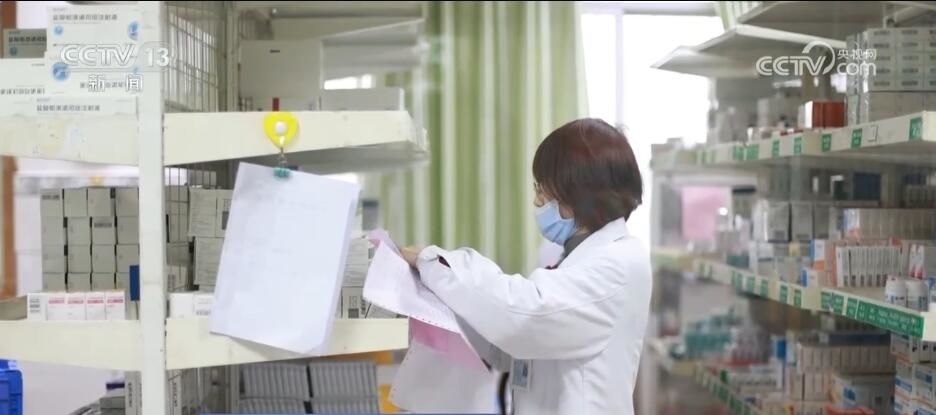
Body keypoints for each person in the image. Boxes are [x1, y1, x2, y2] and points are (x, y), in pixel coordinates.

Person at [400, 118, 652, 415]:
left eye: (543, 190)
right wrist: (434, 306)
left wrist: (435, 264)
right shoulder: (579, 259)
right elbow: (513, 345)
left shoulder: (619, 263)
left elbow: (525, 317)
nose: (537, 200)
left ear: (579, 191)